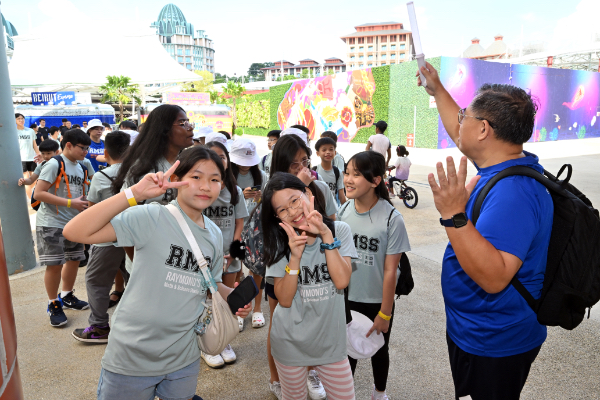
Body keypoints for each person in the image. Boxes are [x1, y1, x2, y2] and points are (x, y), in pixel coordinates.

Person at [63, 147, 252, 400]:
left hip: (184, 356)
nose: (205, 186)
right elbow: (75, 231)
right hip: (132, 356)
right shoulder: (151, 216)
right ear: (175, 179)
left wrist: (234, 297)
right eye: (196, 177)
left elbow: (211, 284)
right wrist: (133, 194)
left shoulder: (215, 234)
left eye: (214, 179)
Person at [418, 62, 553, 400]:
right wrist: (437, 88)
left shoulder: (513, 193)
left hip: (494, 342)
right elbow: (459, 130)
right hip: (478, 331)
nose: (458, 121)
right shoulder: (499, 164)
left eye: (465, 115)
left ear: (483, 130)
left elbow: (494, 277)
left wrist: (453, 214)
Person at [262, 172, 357, 400]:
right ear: (277, 217)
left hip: (331, 343)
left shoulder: (338, 230)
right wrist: (294, 257)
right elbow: (284, 299)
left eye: (295, 200)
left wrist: (325, 234)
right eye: (282, 210)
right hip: (290, 343)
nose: (293, 212)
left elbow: (341, 281)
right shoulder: (278, 241)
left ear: (308, 193)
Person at [264, 133, 338, 400]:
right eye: (293, 164)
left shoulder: (320, 189)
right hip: (284, 268)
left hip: (319, 268)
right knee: (281, 319)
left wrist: (306, 192)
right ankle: (278, 377)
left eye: (304, 161)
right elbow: (268, 228)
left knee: (315, 316)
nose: (301, 168)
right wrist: (297, 189)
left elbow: (332, 222)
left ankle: (312, 369)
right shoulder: (273, 193)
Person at [338, 151, 411, 400]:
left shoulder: (392, 218)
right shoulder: (343, 211)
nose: (348, 179)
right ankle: (344, 394)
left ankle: (379, 393)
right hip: (347, 298)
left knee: (379, 350)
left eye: (356, 174)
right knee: (346, 352)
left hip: (378, 302)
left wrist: (385, 313)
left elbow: (391, 270)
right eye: (347, 173)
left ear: (375, 180)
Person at [112, 104, 196, 274]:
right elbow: (123, 220)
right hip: (148, 266)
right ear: (164, 130)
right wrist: (138, 265)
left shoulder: (186, 164)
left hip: (180, 261)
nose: (190, 127)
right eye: (182, 123)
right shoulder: (144, 171)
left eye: (189, 122)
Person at [71, 131, 131, 343]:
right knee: (135, 279)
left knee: (96, 281)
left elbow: (93, 212)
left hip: (107, 240)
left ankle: (99, 327)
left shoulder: (101, 176)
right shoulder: (138, 174)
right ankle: (138, 325)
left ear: (105, 153)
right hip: (134, 237)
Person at [33, 129, 91, 327]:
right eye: (82, 148)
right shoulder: (53, 164)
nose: (86, 152)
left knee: (74, 260)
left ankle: (66, 295)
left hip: (74, 223)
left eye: (87, 148)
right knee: (55, 264)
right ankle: (53, 303)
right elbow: (39, 193)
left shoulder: (82, 167)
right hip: (51, 222)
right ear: (68, 145)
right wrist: (70, 203)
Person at [202, 140, 249, 368]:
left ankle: (224, 341)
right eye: (212, 155)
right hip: (205, 255)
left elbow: (239, 222)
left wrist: (232, 250)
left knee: (227, 298)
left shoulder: (235, 191)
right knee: (207, 299)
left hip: (229, 254)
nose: (218, 160)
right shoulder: (202, 190)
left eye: (222, 156)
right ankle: (207, 343)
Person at [229, 137, 269, 329]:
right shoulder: (228, 177)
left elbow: (269, 204)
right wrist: (240, 196)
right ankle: (238, 309)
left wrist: (261, 198)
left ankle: (257, 309)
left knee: (257, 270)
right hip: (235, 228)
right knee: (235, 270)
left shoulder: (262, 176)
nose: (245, 166)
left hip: (256, 229)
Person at [314, 137, 346, 205]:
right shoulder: (314, 171)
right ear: (318, 153)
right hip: (318, 207)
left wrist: (345, 209)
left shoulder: (338, 172)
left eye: (331, 149)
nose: (328, 152)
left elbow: (341, 195)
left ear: (335, 152)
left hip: (332, 208)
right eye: (324, 150)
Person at [17, 113, 41, 200]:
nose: (21, 120)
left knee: (34, 179)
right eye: (18, 119)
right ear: (15, 120)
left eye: (22, 118)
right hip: (21, 158)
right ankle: (32, 201)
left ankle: (26, 192)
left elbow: (34, 144)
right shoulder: (13, 131)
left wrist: (39, 154)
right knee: (26, 178)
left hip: (31, 158)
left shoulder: (30, 131)